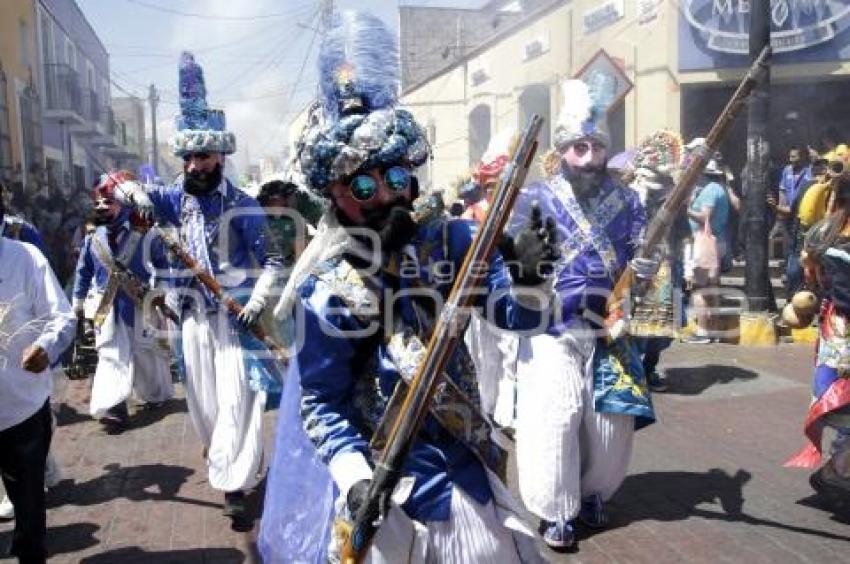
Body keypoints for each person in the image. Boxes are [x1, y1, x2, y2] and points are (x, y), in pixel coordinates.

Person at [258, 12, 556, 562]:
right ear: (335, 195)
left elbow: (513, 315)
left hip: (463, 465)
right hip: (387, 481)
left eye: (395, 177)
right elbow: (323, 404)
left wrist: (532, 281)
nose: (385, 195)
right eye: (363, 183)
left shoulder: (452, 240)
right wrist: (354, 480)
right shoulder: (327, 290)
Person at [116, 52, 283, 519]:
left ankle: (235, 486)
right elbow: (132, 195)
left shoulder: (245, 205)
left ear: (221, 157)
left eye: (203, 156)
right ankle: (233, 463)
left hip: (234, 319)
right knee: (205, 409)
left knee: (237, 401)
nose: (194, 165)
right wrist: (133, 196)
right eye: (188, 156)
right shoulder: (175, 200)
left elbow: (273, 260)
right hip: (190, 320)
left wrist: (257, 303)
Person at [511, 79, 655, 550]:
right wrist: (528, 269)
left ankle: (594, 493)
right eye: (579, 147)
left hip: (610, 326)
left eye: (596, 147)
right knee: (556, 415)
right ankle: (555, 510)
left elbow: (643, 259)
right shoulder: (537, 198)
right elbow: (518, 266)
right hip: (554, 326)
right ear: (563, 150)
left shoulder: (629, 201)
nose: (590, 158)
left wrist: (648, 268)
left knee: (611, 423)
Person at [0, 182, 76, 563]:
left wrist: (45, 348)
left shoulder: (24, 257)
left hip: (21, 407)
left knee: (28, 507)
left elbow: (61, 316)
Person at [71, 171, 174, 430]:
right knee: (110, 355)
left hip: (138, 304)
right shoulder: (92, 239)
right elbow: (82, 273)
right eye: (98, 203)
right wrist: (78, 303)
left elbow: (162, 266)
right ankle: (113, 407)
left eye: (109, 202)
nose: (103, 207)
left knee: (145, 355)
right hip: (105, 309)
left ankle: (155, 395)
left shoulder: (146, 233)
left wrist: (159, 291)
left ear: (123, 204)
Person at [785, 174, 850, 497]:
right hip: (841, 329)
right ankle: (838, 470)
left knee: (841, 404)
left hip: (836, 326)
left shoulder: (824, 232)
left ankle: (838, 469)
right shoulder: (832, 233)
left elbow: (809, 273)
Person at [628, 130, 688, 392]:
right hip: (633, 263)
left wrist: (684, 265)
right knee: (628, 318)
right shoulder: (630, 193)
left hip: (664, 263)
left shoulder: (674, 195)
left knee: (660, 326)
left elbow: (681, 233)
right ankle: (631, 367)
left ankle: (649, 368)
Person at [684, 143, 730, 344]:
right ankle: (713, 329)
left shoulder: (710, 190)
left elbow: (705, 217)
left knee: (700, 289)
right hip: (714, 242)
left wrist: (684, 209)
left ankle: (703, 331)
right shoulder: (718, 188)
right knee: (712, 288)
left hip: (705, 243)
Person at [769, 146, 813, 297]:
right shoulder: (787, 170)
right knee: (790, 247)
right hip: (787, 214)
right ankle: (789, 275)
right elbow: (782, 190)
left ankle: (797, 280)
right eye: (790, 157)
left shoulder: (809, 172)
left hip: (803, 216)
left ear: (802, 157)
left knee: (800, 249)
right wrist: (780, 210)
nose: (791, 160)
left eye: (794, 157)